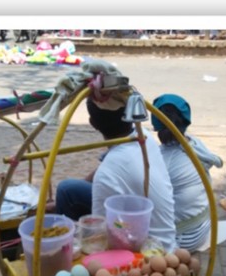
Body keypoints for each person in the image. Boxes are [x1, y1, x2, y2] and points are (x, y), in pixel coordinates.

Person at [53, 97, 178, 253]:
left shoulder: (107, 173)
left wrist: (77, 229)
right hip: (167, 238)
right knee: (68, 189)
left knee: (70, 203)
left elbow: (99, 235)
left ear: (92, 123)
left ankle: (65, 254)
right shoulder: (143, 137)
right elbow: (105, 166)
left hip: (149, 251)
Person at [151, 93, 223, 252]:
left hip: (183, 238)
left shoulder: (162, 159)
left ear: (156, 125)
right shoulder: (196, 144)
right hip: (205, 225)